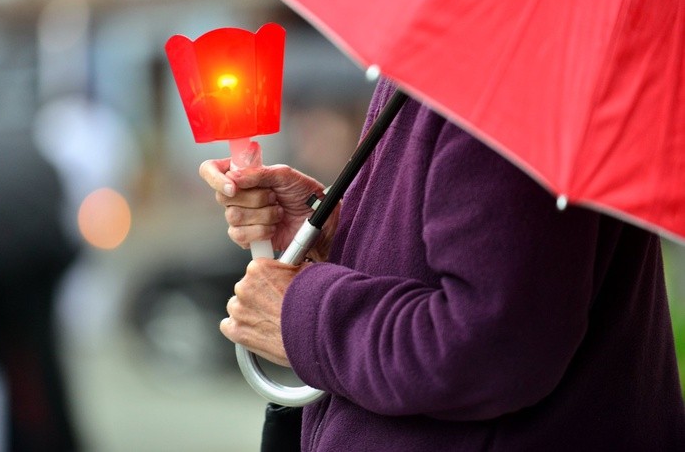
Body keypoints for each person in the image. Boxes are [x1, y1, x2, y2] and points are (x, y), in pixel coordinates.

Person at [199, 79, 685, 451]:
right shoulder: (459, 50)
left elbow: (494, 342)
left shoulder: (503, 70)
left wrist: (303, 311)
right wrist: (338, 237)